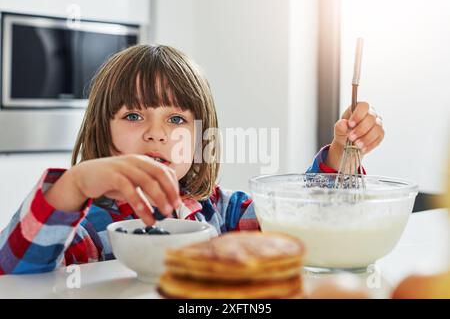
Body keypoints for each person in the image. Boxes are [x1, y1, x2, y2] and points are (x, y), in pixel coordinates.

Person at [0, 45, 384, 274]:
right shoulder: (86, 229)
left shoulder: (226, 213)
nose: (157, 133)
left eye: (177, 119)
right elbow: (14, 273)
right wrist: (74, 185)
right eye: (133, 116)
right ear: (105, 129)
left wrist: (341, 153)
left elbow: (307, 226)